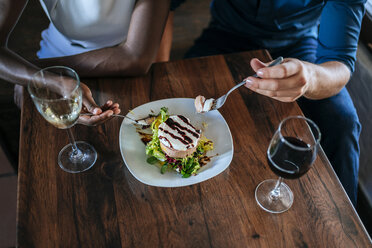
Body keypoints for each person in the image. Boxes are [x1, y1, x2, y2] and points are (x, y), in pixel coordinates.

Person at [185, 0, 366, 205]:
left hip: (300, 45)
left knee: (343, 123)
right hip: (225, 35)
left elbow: (339, 62)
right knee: (182, 98)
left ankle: (346, 227)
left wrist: (310, 78)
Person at [0, 0, 172, 126]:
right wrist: (48, 79)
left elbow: (136, 57)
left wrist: (39, 73)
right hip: (58, 49)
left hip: (122, 60)